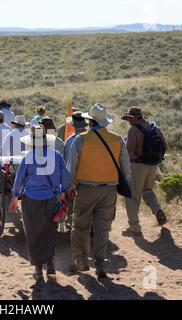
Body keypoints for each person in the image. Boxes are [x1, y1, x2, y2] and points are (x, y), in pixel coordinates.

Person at [67, 104, 130, 279]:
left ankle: (81, 260)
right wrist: (119, 184)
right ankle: (100, 264)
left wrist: (69, 187)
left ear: (90, 121)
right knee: (102, 229)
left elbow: (72, 167)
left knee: (81, 226)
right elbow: (126, 168)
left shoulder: (81, 139)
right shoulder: (118, 139)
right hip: (109, 190)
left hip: (86, 189)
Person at [8, 125, 70, 282]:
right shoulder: (56, 155)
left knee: (33, 233)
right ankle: (50, 264)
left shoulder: (28, 157)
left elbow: (19, 180)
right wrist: (62, 192)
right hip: (52, 199)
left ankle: (38, 269)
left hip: (32, 199)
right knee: (49, 231)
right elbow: (66, 180)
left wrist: (15, 198)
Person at [121, 107, 168, 237]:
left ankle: (134, 228)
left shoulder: (134, 130)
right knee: (147, 190)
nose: (129, 121)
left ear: (134, 118)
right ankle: (158, 210)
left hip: (138, 166)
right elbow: (165, 147)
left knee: (132, 196)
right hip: (153, 165)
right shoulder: (154, 128)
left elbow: (129, 153)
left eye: (130, 119)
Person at [63, 111, 88, 229]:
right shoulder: (91, 138)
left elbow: (67, 160)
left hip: (74, 176)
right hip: (88, 175)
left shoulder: (70, 140)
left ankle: (71, 221)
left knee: (71, 200)